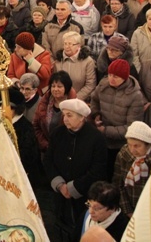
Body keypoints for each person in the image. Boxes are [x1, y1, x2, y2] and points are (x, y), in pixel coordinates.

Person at [43, 99, 107, 238]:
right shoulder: (58, 133)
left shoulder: (96, 138)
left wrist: (73, 188)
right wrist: (60, 185)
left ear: (82, 117)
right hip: (59, 194)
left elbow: (98, 169)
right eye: (64, 115)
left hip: (85, 195)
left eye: (70, 115)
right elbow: (48, 160)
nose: (65, 119)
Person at [90, 60, 146, 180]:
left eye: (115, 76)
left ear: (124, 77)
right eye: (110, 75)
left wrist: (105, 130)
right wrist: (96, 114)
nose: (111, 78)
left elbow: (131, 128)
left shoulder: (135, 96)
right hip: (101, 141)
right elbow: (94, 99)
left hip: (120, 146)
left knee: (116, 177)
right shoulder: (103, 84)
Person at [112, 121, 151, 217]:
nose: (132, 150)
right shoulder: (124, 154)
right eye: (129, 145)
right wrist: (128, 210)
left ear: (147, 144)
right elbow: (118, 184)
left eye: (137, 146)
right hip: (130, 207)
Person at [33, 70, 73, 153]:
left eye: (59, 86)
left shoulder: (73, 105)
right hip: (47, 149)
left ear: (67, 87)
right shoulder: (44, 103)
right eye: (53, 86)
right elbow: (36, 126)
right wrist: (46, 145)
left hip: (67, 150)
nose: (55, 89)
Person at [54, 31, 97, 101]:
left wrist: (75, 99)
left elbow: (90, 85)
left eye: (70, 44)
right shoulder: (58, 61)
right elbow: (54, 82)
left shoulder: (88, 61)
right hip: (60, 100)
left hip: (80, 100)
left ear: (78, 46)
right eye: (65, 44)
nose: (67, 47)